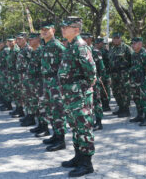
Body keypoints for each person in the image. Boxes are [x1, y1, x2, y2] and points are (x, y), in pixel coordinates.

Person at [59, 16, 96, 177]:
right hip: (70, 95)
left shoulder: (81, 46)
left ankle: (87, 164)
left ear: (76, 29)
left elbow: (91, 73)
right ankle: (78, 157)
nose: (62, 29)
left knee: (83, 128)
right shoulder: (70, 46)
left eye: (66, 27)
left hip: (79, 96)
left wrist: (80, 89)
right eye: (62, 27)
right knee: (74, 127)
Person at [39, 22, 67, 151]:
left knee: (58, 110)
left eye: (47, 29)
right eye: (42, 30)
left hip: (56, 83)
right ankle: (55, 135)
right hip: (47, 82)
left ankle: (61, 140)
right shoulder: (45, 45)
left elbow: (65, 65)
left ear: (53, 30)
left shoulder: (57, 45)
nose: (44, 32)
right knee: (50, 109)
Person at [129, 37, 146, 126]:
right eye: (132, 43)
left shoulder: (144, 54)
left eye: (135, 43)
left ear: (140, 44)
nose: (133, 45)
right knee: (136, 98)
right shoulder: (134, 54)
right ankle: (140, 115)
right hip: (135, 81)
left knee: (145, 99)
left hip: (143, 81)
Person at [108, 32, 132, 117]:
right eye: (114, 38)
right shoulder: (112, 49)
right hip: (114, 74)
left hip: (123, 74)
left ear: (120, 38)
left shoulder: (126, 48)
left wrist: (129, 73)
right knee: (116, 92)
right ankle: (121, 108)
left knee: (124, 92)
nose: (116, 39)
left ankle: (126, 110)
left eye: (117, 38)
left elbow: (132, 61)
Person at [95, 38, 111, 111]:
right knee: (100, 90)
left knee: (106, 89)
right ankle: (102, 104)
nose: (102, 44)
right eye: (101, 43)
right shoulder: (95, 51)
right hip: (99, 73)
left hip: (105, 73)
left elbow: (108, 62)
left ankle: (106, 105)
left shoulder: (105, 51)